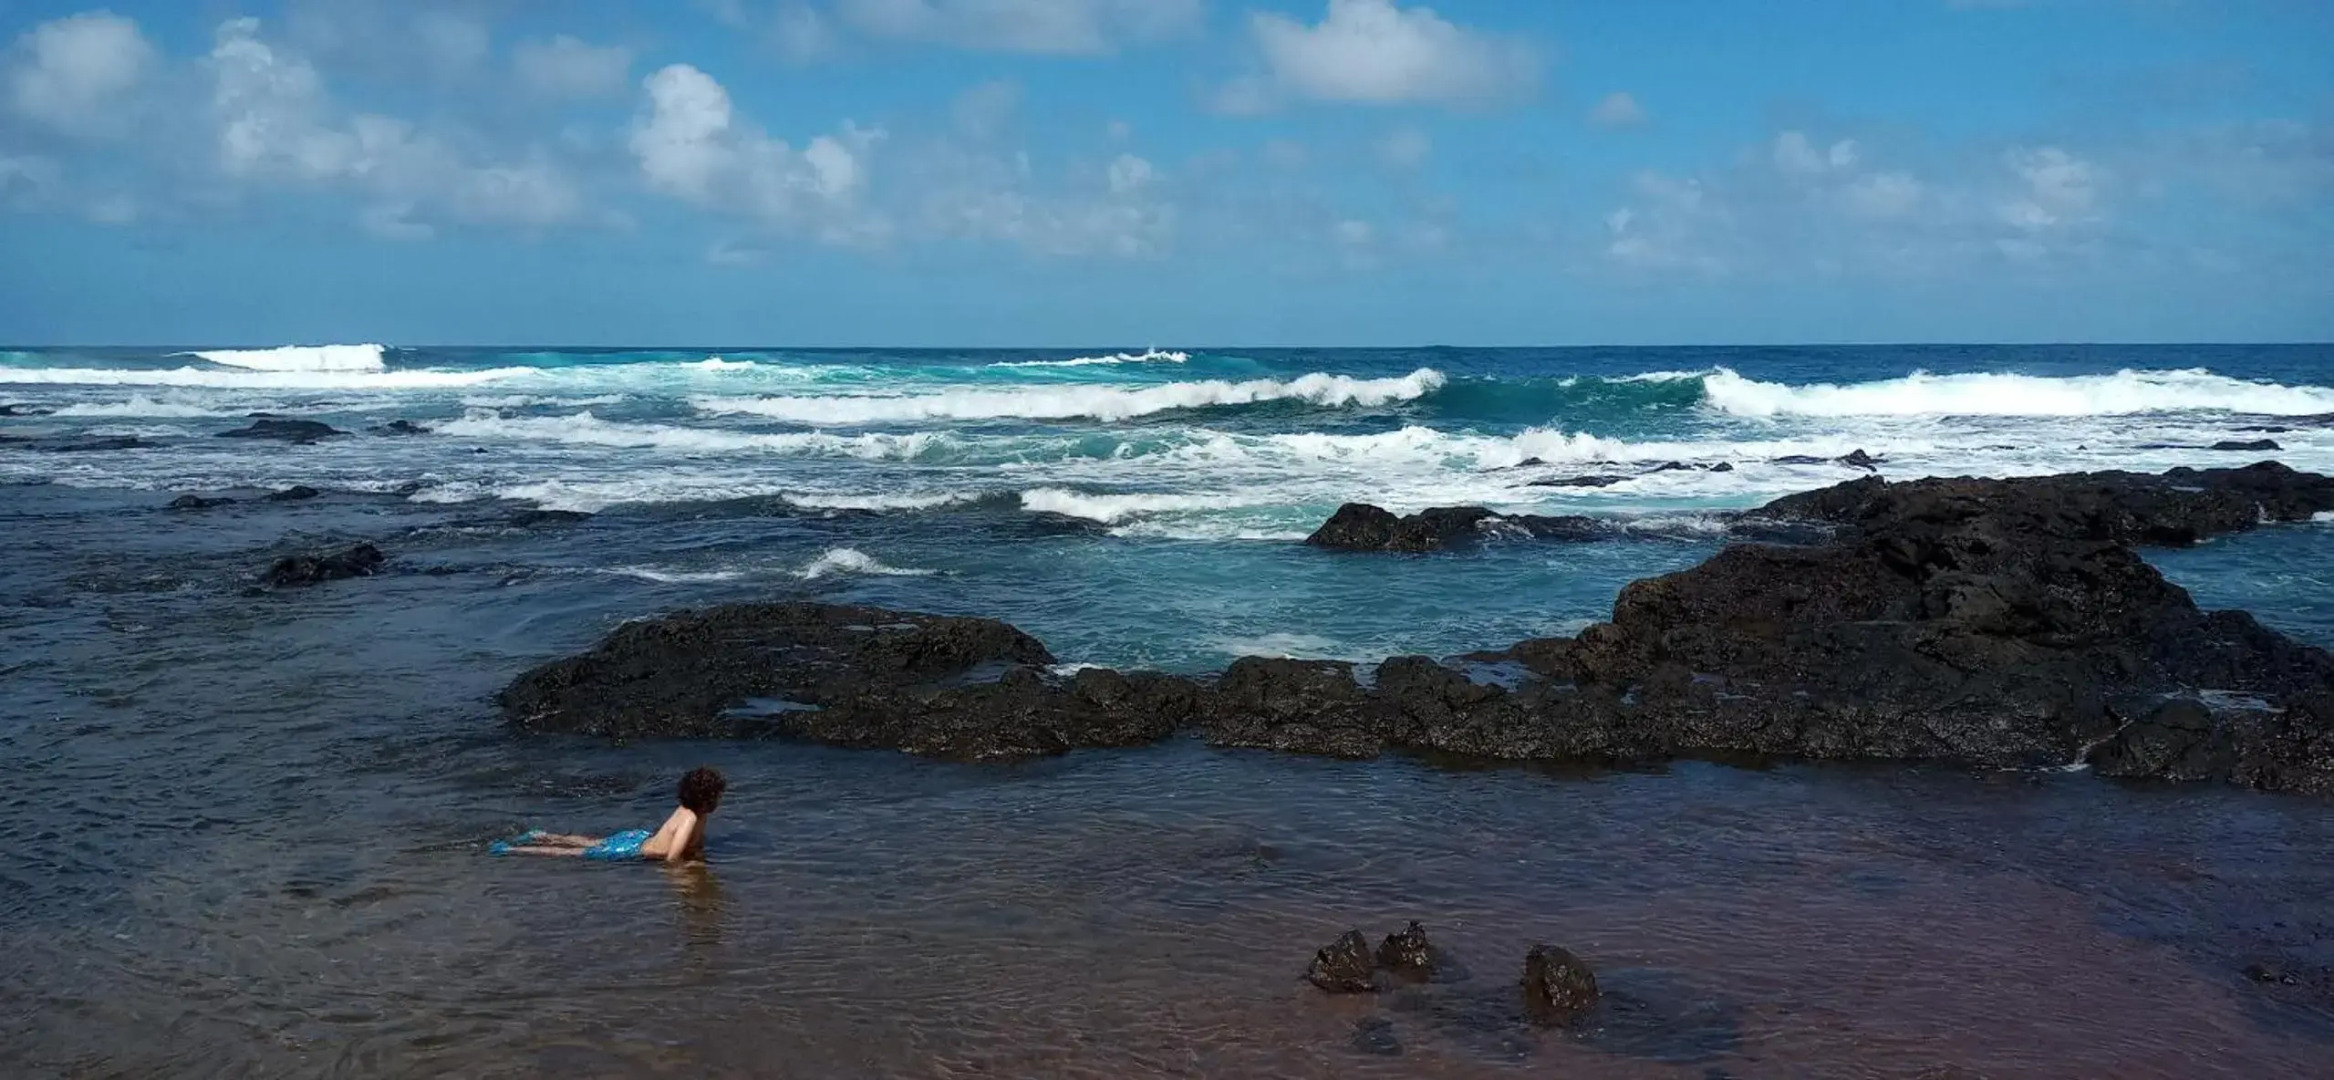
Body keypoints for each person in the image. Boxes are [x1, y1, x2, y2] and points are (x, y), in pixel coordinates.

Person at [492, 767, 725, 863]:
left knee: (595, 842)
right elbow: (672, 858)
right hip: (633, 848)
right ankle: (511, 849)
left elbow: (695, 845)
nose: (720, 800)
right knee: (577, 853)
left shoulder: (694, 812)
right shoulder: (691, 817)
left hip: (638, 838)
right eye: (717, 796)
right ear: (705, 798)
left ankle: (540, 834)